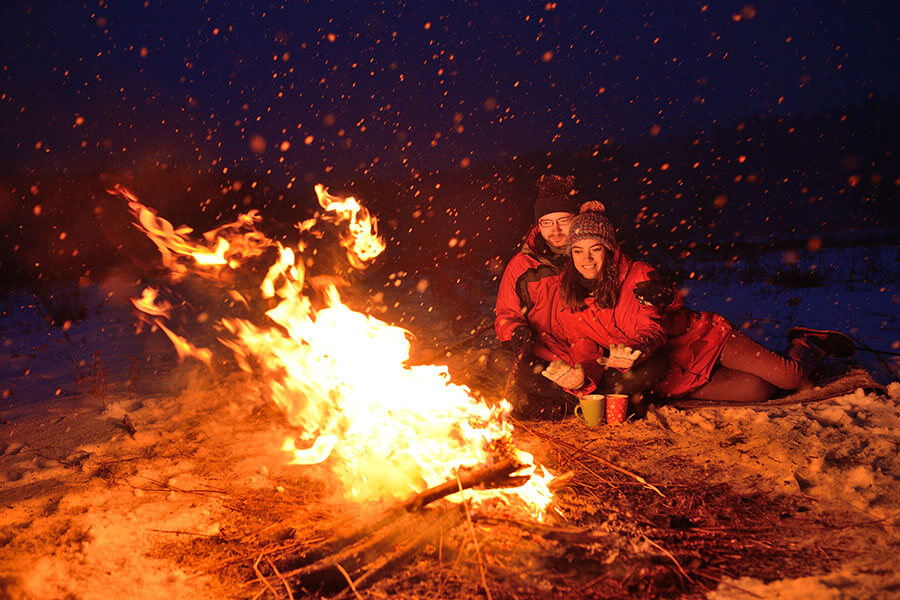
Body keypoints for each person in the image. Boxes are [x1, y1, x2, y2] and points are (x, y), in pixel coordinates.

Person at [540, 202, 855, 404]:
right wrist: (581, 377)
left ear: (608, 250)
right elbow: (584, 348)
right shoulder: (568, 297)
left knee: (792, 377)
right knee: (760, 391)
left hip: (702, 339)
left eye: (595, 249)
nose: (587, 259)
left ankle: (808, 342)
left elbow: (652, 325)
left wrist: (636, 348)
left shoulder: (637, 275)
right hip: (672, 371)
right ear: (569, 254)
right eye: (578, 251)